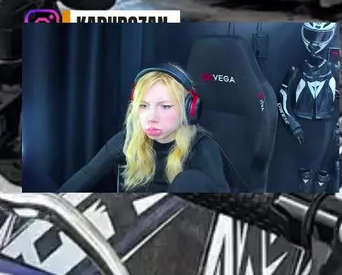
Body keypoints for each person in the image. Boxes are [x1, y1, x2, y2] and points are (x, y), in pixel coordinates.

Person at [59, 64, 231, 193]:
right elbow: (84, 177)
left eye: (165, 106)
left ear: (189, 110)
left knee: (190, 181)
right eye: (143, 105)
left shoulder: (202, 148)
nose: (151, 117)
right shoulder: (127, 140)